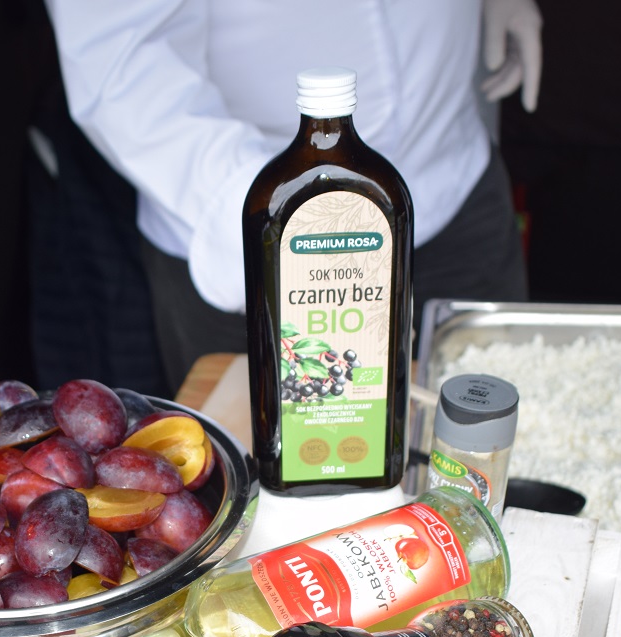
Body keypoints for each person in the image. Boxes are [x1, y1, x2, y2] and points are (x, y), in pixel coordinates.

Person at [42, 0, 542, 390]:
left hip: (448, 181)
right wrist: (273, 212)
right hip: (260, 235)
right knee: (305, 476)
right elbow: (116, 60)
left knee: (494, 452)